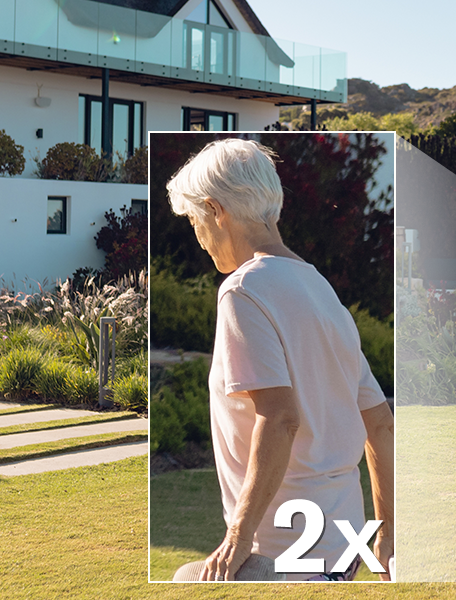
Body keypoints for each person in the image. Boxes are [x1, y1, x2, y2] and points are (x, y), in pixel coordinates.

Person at [165, 138, 394, 582]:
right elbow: (380, 423)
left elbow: (281, 417)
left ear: (216, 211)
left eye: (194, 220)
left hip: (284, 556)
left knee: (184, 582)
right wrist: (385, 533)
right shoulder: (322, 292)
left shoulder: (242, 292)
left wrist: (237, 537)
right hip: (341, 552)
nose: (198, 237)